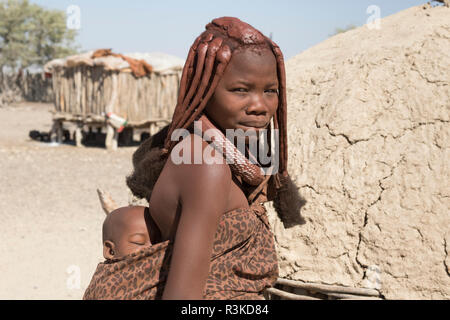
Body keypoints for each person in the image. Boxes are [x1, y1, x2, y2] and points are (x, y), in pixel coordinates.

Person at [84, 16, 304, 300]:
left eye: (270, 91)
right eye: (241, 90)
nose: (260, 106)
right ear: (205, 91)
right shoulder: (205, 163)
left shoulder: (225, 152)